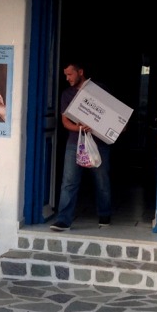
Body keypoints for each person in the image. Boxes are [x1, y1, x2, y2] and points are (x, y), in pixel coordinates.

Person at [50, 61, 112, 231]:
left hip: (99, 142)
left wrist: (98, 126)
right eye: (65, 75)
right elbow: (65, 122)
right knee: (69, 182)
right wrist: (79, 128)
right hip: (74, 143)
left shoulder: (99, 90)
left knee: (102, 181)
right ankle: (63, 220)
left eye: (70, 74)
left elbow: (110, 115)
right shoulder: (67, 94)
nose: (67, 78)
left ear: (80, 72)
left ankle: (105, 215)